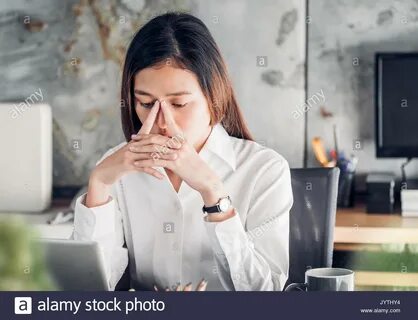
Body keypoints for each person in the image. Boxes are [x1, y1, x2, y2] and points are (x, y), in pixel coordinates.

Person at [72, 12, 293, 291]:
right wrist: (99, 183)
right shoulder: (117, 168)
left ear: (215, 97)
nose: (162, 122)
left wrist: (214, 193)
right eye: (146, 103)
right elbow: (84, 293)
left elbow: (267, 293)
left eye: (178, 104)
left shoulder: (265, 170)